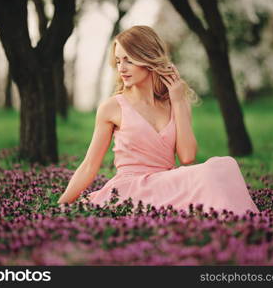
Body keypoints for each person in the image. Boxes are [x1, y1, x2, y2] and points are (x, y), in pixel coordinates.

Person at [58, 25, 259, 215]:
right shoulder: (112, 107)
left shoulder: (175, 103)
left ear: (148, 59)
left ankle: (237, 224)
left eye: (129, 60)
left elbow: (187, 157)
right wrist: (60, 205)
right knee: (213, 174)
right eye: (118, 61)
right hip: (130, 189)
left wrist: (179, 100)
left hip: (166, 183)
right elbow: (89, 165)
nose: (122, 68)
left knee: (226, 165)